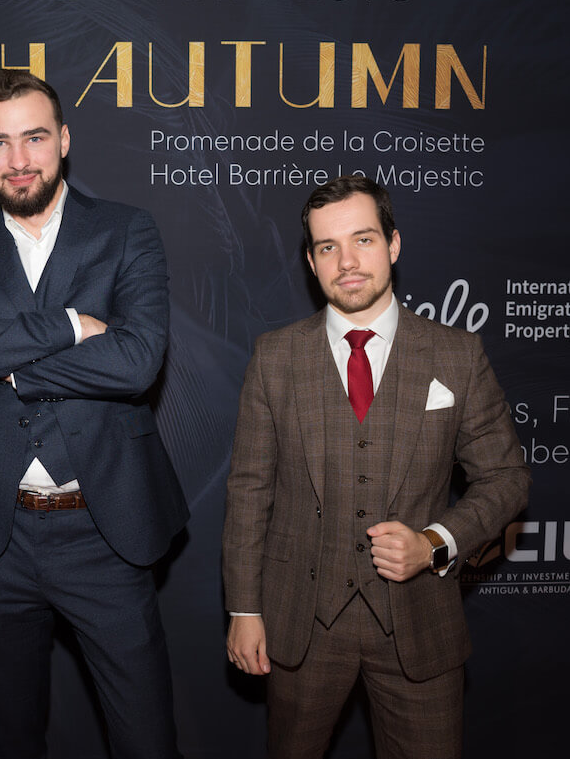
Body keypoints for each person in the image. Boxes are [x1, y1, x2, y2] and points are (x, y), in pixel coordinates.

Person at [0, 68, 189, 759]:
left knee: (147, 740)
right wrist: (71, 325)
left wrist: (10, 365)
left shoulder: (126, 230)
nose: (18, 159)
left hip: (105, 528)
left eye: (34, 137)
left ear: (64, 140)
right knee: (7, 739)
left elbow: (136, 361)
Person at [222, 175, 530, 759]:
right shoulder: (275, 357)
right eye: (327, 247)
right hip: (301, 622)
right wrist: (244, 608)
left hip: (420, 624)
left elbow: (506, 478)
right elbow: (249, 492)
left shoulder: (457, 355)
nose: (347, 262)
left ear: (393, 244)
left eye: (363, 239)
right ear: (311, 262)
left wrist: (435, 542)